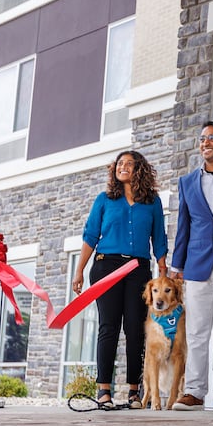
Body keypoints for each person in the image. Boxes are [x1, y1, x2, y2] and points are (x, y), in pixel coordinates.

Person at [72, 150, 168, 409]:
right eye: (119, 164)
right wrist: (79, 270)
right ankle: (104, 390)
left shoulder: (153, 202)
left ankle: (135, 392)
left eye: (129, 163)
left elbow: (159, 237)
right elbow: (91, 235)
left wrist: (162, 267)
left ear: (140, 170)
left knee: (136, 328)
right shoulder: (104, 199)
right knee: (109, 326)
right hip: (106, 266)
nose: (122, 167)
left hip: (138, 268)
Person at [170, 120, 213, 411]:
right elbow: (183, 225)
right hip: (197, 264)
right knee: (197, 332)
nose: (205, 142)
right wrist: (177, 264)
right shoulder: (187, 182)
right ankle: (195, 391)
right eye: (202, 138)